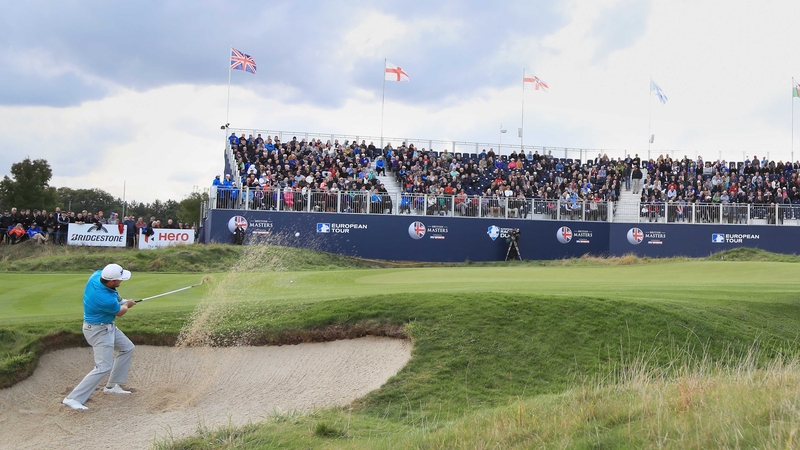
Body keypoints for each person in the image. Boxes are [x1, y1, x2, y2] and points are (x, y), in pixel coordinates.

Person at [62, 264, 136, 410]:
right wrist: (127, 304)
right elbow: (120, 312)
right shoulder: (104, 299)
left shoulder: (97, 275)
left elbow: (115, 296)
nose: (121, 281)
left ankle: (112, 385)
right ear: (111, 281)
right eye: (119, 280)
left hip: (107, 326)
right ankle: (72, 398)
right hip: (98, 331)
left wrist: (122, 300)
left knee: (127, 348)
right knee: (103, 366)